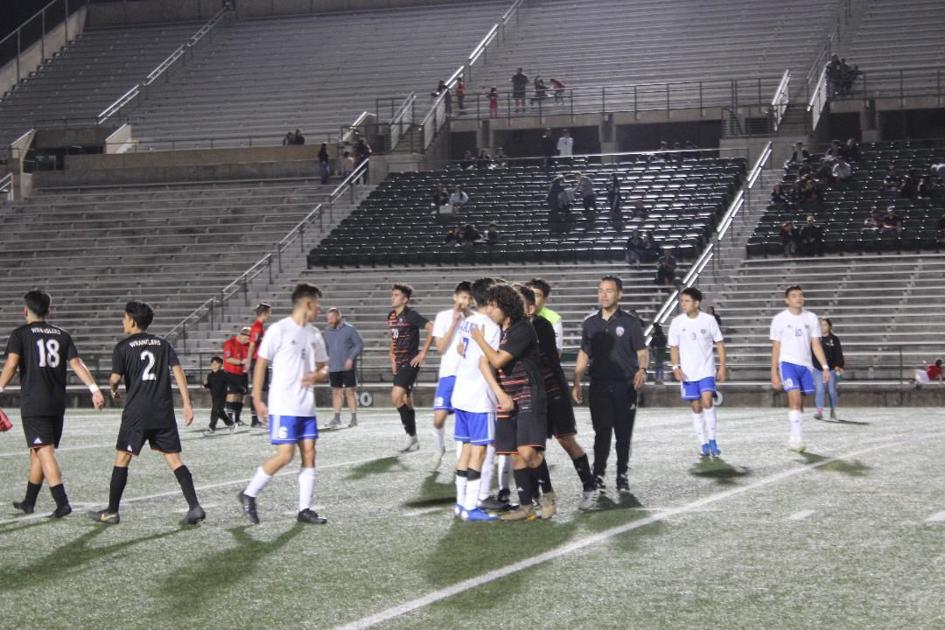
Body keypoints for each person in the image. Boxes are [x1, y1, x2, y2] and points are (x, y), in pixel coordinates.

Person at [89, 301, 203, 526]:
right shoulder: (163, 344)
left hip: (137, 413)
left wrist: (112, 389)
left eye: (124, 318)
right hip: (162, 412)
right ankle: (194, 506)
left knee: (122, 457)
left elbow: (114, 378)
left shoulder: (122, 347)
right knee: (174, 459)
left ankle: (112, 511)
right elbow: (178, 372)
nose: (123, 322)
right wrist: (187, 404)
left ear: (132, 320)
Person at [0, 289, 105, 518]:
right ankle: (29, 502)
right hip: (56, 402)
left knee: (44, 450)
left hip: (34, 402)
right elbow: (77, 364)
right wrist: (94, 389)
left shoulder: (20, 334)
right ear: (49, 310)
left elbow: (11, 365)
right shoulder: (62, 334)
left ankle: (62, 502)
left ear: (25, 310)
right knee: (37, 451)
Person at [238, 283, 330, 526]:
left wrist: (318, 376)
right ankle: (249, 494)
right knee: (285, 455)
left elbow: (324, 366)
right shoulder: (279, 330)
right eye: (317, 304)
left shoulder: (314, 334)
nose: (319, 309)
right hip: (283, 406)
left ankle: (304, 509)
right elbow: (260, 364)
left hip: (306, 407)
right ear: (307, 303)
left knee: (310, 454)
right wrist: (257, 399)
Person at [473, 283, 552, 521]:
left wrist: (478, 339)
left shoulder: (522, 329)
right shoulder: (499, 330)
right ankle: (525, 505)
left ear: (506, 306)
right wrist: (500, 394)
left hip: (529, 392)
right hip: (507, 396)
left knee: (528, 452)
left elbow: (496, 361)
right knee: (515, 455)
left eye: (493, 306)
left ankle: (548, 495)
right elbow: (482, 364)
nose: (488, 311)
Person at [516, 285, 596, 510]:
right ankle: (542, 494)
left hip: (553, 391)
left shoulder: (541, 325)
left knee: (566, 440)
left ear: (530, 307)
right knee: (533, 448)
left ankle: (589, 486)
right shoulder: (515, 327)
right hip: (534, 394)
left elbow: (538, 359)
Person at [572, 276, 648, 492]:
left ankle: (622, 474)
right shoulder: (590, 323)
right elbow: (583, 354)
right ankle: (599, 474)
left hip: (625, 386)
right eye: (600, 290)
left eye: (609, 290)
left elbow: (642, 352)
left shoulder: (631, 323)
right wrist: (576, 381)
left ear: (619, 294)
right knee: (601, 433)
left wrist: (642, 370)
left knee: (623, 434)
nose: (603, 295)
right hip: (599, 385)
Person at [451, 278, 503, 520]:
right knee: (479, 452)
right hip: (479, 397)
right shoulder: (491, 326)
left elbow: (460, 351)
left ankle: (461, 504)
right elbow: (489, 362)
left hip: (461, 393)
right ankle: (471, 507)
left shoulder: (468, 321)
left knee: (466, 450)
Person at [770, 286, 831, 452]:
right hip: (787, 363)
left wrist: (825, 367)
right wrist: (774, 372)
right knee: (795, 398)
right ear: (787, 300)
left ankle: (797, 434)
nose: (798, 298)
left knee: (801, 403)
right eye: (794, 296)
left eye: (801, 295)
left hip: (806, 366)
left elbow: (816, 344)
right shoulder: (779, 319)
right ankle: (795, 439)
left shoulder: (811, 318)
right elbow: (776, 347)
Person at [668, 288, 727, 460]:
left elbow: (720, 343)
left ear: (696, 303)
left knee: (708, 401)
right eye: (682, 301)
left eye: (686, 301)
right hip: (688, 373)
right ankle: (703, 443)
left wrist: (722, 366)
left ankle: (713, 440)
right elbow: (673, 347)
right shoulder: (677, 322)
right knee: (696, 406)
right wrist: (675, 367)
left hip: (706, 370)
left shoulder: (709, 320)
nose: (683, 304)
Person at [429, 282, 472, 471]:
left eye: (469, 299)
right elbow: (440, 348)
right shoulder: (443, 317)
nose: (465, 302)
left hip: (467, 375)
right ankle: (439, 448)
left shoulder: (475, 319)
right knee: (438, 419)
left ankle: (461, 460)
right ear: (455, 297)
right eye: (462, 297)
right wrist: (454, 323)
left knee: (463, 419)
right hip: (448, 374)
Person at [388, 284, 434, 452]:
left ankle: (410, 435)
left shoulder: (411, 315)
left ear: (405, 299)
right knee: (406, 400)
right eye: (392, 294)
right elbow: (392, 338)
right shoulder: (391, 316)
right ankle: (413, 438)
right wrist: (391, 356)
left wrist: (423, 353)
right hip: (399, 363)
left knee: (396, 397)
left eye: (396, 295)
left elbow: (432, 328)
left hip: (410, 362)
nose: (392, 297)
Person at [323, 308, 363, 429]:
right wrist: (326, 361)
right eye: (328, 319)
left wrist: (351, 358)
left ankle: (354, 418)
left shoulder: (350, 329)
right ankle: (336, 418)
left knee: (350, 391)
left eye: (331, 318)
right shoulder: (327, 331)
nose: (329, 321)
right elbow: (326, 348)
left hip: (347, 366)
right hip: (333, 367)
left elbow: (359, 344)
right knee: (336, 392)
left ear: (338, 317)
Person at [812, 318, 844, 421]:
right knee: (820, 389)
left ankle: (833, 411)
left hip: (831, 369)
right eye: (820, 325)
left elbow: (838, 354)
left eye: (825, 325)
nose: (822, 327)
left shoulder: (834, 339)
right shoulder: (815, 339)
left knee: (831, 390)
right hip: (817, 368)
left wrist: (839, 366)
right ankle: (819, 412)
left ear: (829, 326)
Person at [247, 302, 272, 428]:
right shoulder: (257, 327)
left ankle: (260, 419)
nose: (270, 315)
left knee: (263, 390)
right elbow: (252, 346)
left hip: (260, 362)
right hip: (257, 362)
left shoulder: (260, 326)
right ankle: (256, 419)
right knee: (258, 390)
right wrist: (248, 362)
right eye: (269, 312)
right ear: (264, 313)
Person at [525, 278, 563, 353]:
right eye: (529, 294)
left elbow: (557, 349)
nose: (532, 298)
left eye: (536, 295)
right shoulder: (515, 313)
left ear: (545, 299)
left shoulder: (553, 317)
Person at [223, 326, 251, 426]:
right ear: (241, 335)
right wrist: (240, 362)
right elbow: (228, 359)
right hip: (231, 373)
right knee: (232, 395)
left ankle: (237, 419)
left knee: (242, 396)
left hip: (243, 374)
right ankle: (230, 420)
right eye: (247, 338)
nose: (248, 341)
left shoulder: (248, 345)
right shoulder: (230, 343)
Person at [203, 357, 234, 435]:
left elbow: (233, 383)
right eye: (212, 363)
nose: (213, 365)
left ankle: (211, 428)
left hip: (222, 396)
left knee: (215, 411)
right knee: (219, 412)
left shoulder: (224, 375)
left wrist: (240, 389)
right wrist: (205, 384)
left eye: (215, 363)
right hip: (214, 396)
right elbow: (209, 386)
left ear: (220, 364)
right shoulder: (210, 375)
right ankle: (230, 423)